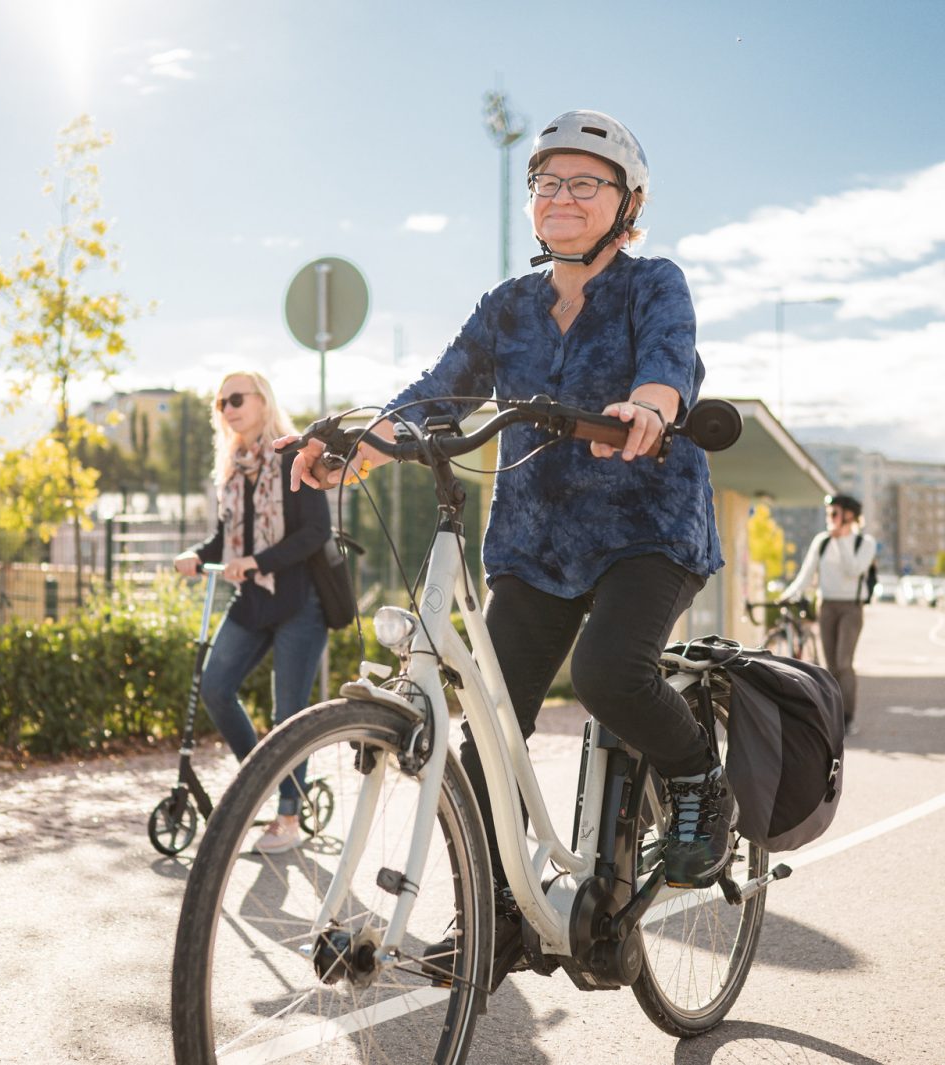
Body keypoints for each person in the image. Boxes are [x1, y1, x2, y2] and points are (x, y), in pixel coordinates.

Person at [287, 110, 733, 950]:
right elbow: (439, 389)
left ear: (625, 202)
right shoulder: (508, 307)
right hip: (538, 543)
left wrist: (648, 406)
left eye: (584, 183)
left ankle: (698, 775)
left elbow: (669, 364)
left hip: (648, 529)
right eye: (546, 182)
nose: (561, 196)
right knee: (491, 721)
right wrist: (361, 452)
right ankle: (494, 917)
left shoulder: (653, 285)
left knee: (608, 672)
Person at [174, 370, 331, 855]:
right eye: (220, 402)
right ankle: (261, 782)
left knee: (288, 715)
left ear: (263, 400)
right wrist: (200, 554)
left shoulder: (291, 456)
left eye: (237, 398)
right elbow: (228, 538)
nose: (228, 408)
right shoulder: (234, 465)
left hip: (300, 601)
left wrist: (257, 562)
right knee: (217, 687)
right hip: (253, 600)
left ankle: (288, 814)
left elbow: (315, 533)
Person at [781, 493, 877, 732]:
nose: (830, 518)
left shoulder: (864, 543)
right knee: (830, 666)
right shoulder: (821, 541)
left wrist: (840, 540)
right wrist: (786, 596)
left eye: (835, 513)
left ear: (849, 515)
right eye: (828, 514)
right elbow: (806, 574)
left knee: (844, 663)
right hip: (827, 607)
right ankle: (832, 715)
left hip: (851, 608)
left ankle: (847, 718)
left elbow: (853, 570)